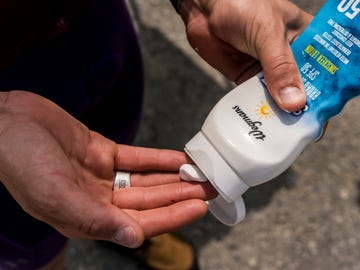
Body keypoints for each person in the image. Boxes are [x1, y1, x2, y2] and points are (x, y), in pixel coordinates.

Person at [0, 0, 312, 269]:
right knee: (30, 237)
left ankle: (123, 216)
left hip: (93, 23)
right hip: (12, 72)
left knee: (112, 143)